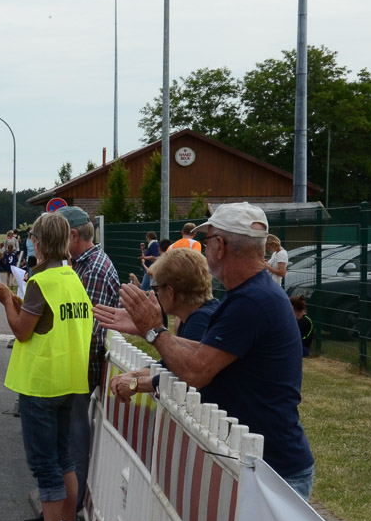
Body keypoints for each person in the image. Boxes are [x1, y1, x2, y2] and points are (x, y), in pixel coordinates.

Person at [93, 202, 316, 498]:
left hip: (270, 470)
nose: (205, 248)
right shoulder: (252, 294)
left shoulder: (251, 301)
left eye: (207, 240)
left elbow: (196, 372)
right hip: (265, 464)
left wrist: (154, 330)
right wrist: (149, 331)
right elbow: (206, 352)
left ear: (220, 246)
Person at [0, 212, 92, 521]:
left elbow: (22, 331)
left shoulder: (40, 280)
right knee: (65, 459)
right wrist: (15, 301)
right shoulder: (71, 277)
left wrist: (5, 298)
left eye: (33, 238)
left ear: (39, 242)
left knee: (45, 465)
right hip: (69, 379)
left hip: (41, 383)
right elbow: (45, 320)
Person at [56, 205, 122, 518]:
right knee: (71, 439)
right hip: (77, 367)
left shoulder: (92, 269)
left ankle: (70, 511)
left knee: (74, 441)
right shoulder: (85, 264)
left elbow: (90, 330)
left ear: (72, 235)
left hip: (79, 370)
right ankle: (67, 508)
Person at [105, 248, 219, 400]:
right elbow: (169, 364)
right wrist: (134, 374)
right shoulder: (198, 315)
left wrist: (135, 384)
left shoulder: (199, 320)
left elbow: (184, 375)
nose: (155, 294)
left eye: (156, 288)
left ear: (171, 292)